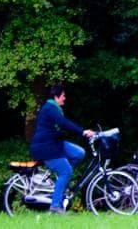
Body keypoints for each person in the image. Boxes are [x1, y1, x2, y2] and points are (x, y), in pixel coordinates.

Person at [30, 82, 96, 214]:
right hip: (46, 147)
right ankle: (55, 206)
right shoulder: (50, 108)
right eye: (63, 96)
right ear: (56, 96)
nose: (65, 98)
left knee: (79, 153)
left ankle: (63, 183)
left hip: (55, 143)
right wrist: (83, 131)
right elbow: (63, 123)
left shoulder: (55, 108)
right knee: (66, 171)